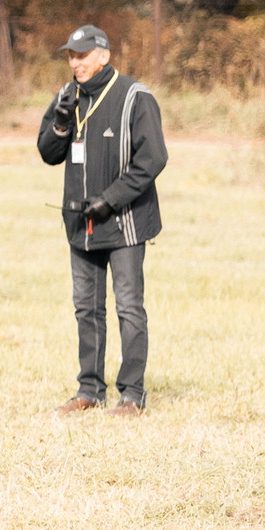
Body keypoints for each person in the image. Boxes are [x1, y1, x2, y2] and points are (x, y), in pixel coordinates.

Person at [36, 24, 168, 416]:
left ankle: (132, 395)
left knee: (128, 307)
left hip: (124, 222)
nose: (75, 62)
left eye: (82, 55)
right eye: (71, 56)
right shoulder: (66, 95)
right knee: (86, 308)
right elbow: (48, 152)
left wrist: (111, 200)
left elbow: (153, 159)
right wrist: (60, 123)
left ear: (104, 55)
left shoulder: (135, 97)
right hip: (80, 225)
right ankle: (89, 390)